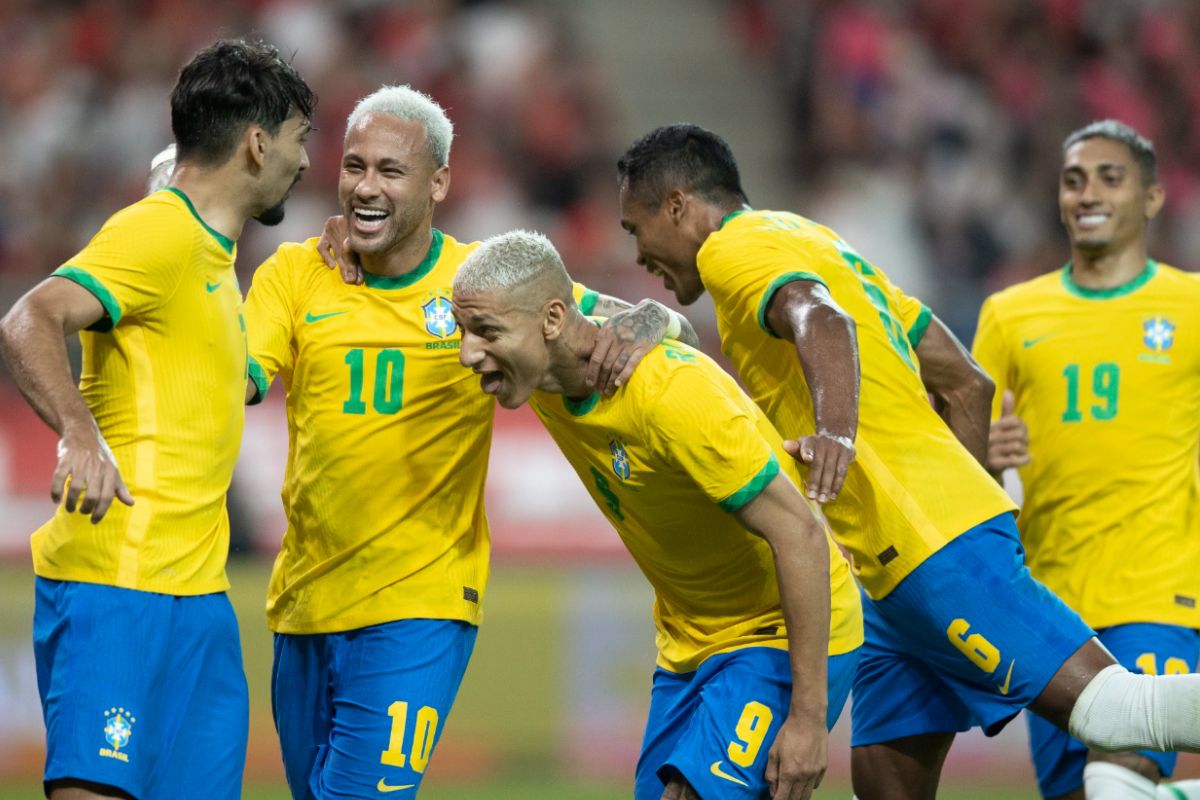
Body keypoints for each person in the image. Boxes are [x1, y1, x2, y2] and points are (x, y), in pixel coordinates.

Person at [614, 123, 1200, 800]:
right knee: (888, 788)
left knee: (1113, 709)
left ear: (679, 206)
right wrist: (976, 506)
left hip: (930, 550)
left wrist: (838, 432)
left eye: (636, 228)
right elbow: (967, 384)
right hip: (888, 576)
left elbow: (819, 318)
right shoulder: (815, 240)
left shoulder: (733, 251)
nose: (638, 254)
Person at [243, 85, 698, 799]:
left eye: (390, 171)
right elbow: (236, 378)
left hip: (418, 606)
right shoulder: (298, 274)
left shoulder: (484, 286)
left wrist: (636, 335)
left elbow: (664, 323)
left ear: (439, 183)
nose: (366, 186)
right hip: (302, 604)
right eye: (354, 166)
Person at [0, 38, 314, 800]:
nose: (308, 163)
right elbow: (29, 318)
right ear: (257, 141)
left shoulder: (213, 262)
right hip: (121, 584)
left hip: (199, 602)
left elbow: (228, 387)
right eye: (302, 139)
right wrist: (80, 433)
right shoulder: (161, 233)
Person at [451, 229, 863, 800]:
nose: (468, 352)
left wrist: (809, 719)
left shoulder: (672, 395)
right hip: (689, 641)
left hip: (775, 634)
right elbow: (655, 320)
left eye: (487, 333)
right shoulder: (542, 362)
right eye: (465, 331)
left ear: (550, 320)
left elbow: (800, 536)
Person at [973, 120, 1200, 800]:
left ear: (1153, 198)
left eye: (1110, 177)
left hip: (1157, 590)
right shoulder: (1011, 314)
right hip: (1050, 607)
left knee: (1115, 779)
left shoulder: (1191, 306)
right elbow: (961, 463)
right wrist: (984, 455)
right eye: (1073, 180)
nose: (1087, 193)